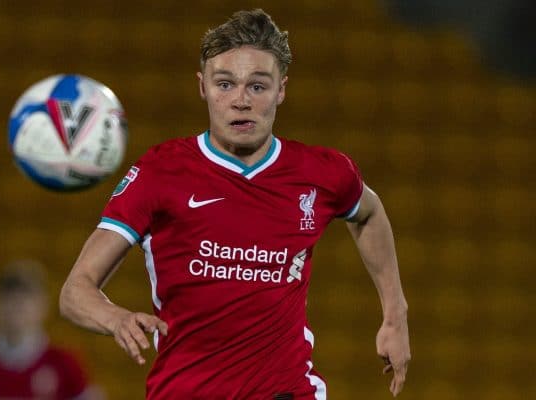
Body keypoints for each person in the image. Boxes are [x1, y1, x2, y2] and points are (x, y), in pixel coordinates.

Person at [59, 9, 410, 399]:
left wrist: (395, 316)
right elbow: (76, 290)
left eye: (257, 86)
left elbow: (369, 213)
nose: (240, 100)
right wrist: (116, 318)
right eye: (225, 84)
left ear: (281, 89)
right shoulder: (162, 172)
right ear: (203, 87)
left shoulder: (322, 173)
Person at [0, 260, 102, 400]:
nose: (16, 306)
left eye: (25, 299)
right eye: (9, 298)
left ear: (43, 305)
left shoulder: (65, 363)